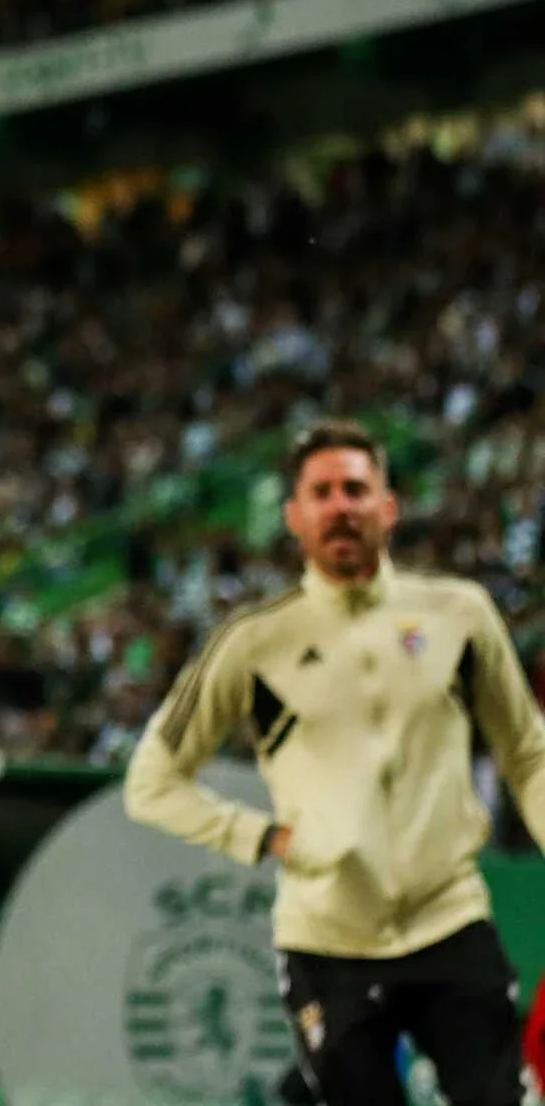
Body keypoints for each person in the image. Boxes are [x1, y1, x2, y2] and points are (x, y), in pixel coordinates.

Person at [125, 419, 545, 1106]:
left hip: (451, 922)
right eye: (321, 492)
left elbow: (527, 751)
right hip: (328, 941)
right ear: (294, 516)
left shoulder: (460, 616)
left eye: (356, 488)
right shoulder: (253, 642)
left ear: (388, 507)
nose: (340, 506)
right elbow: (152, 781)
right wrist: (261, 837)